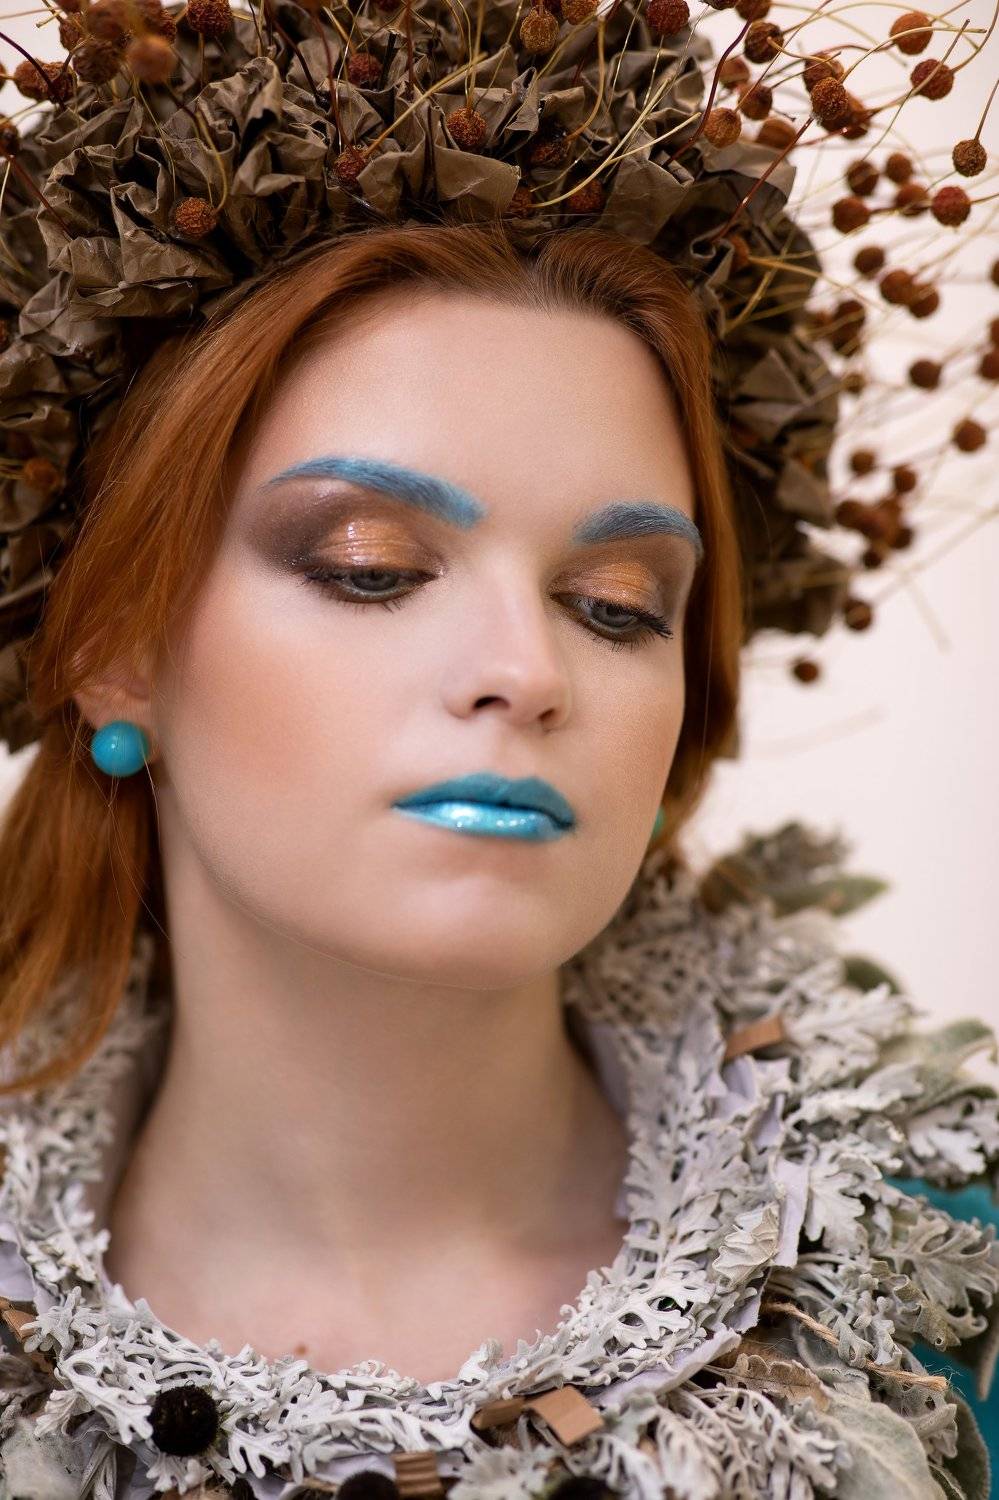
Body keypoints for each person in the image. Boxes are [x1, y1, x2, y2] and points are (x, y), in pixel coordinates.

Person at [0, 3, 996, 1497]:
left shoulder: (943, 1305)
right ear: (114, 645)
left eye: (617, 607)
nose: (527, 674)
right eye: (372, 569)